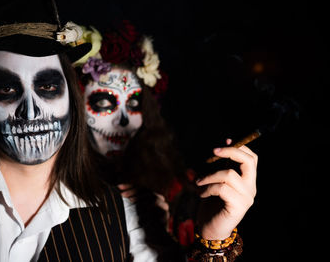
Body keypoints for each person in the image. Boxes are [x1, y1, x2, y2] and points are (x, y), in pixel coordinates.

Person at [0, 0, 129, 261]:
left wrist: (211, 240)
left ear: (70, 97)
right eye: (7, 89)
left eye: (48, 87)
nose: (30, 112)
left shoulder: (125, 214)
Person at [71, 20, 258, 261]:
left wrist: (213, 238)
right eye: (104, 103)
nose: (125, 120)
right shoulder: (40, 189)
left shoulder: (187, 193)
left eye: (134, 104)